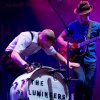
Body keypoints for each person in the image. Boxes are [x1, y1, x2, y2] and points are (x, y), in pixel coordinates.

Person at [1, 29, 79, 100]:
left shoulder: (43, 42)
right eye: (47, 45)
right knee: (21, 82)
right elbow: (14, 55)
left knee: (35, 71)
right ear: (43, 39)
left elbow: (55, 54)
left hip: (21, 61)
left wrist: (67, 63)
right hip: (9, 59)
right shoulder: (27, 36)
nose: (48, 48)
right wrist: (25, 65)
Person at [57, 1, 100, 100]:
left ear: (88, 14)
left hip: (91, 61)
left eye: (82, 15)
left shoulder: (97, 26)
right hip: (76, 60)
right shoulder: (72, 25)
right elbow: (59, 38)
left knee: (89, 87)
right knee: (80, 85)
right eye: (78, 15)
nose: (79, 17)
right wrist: (69, 45)